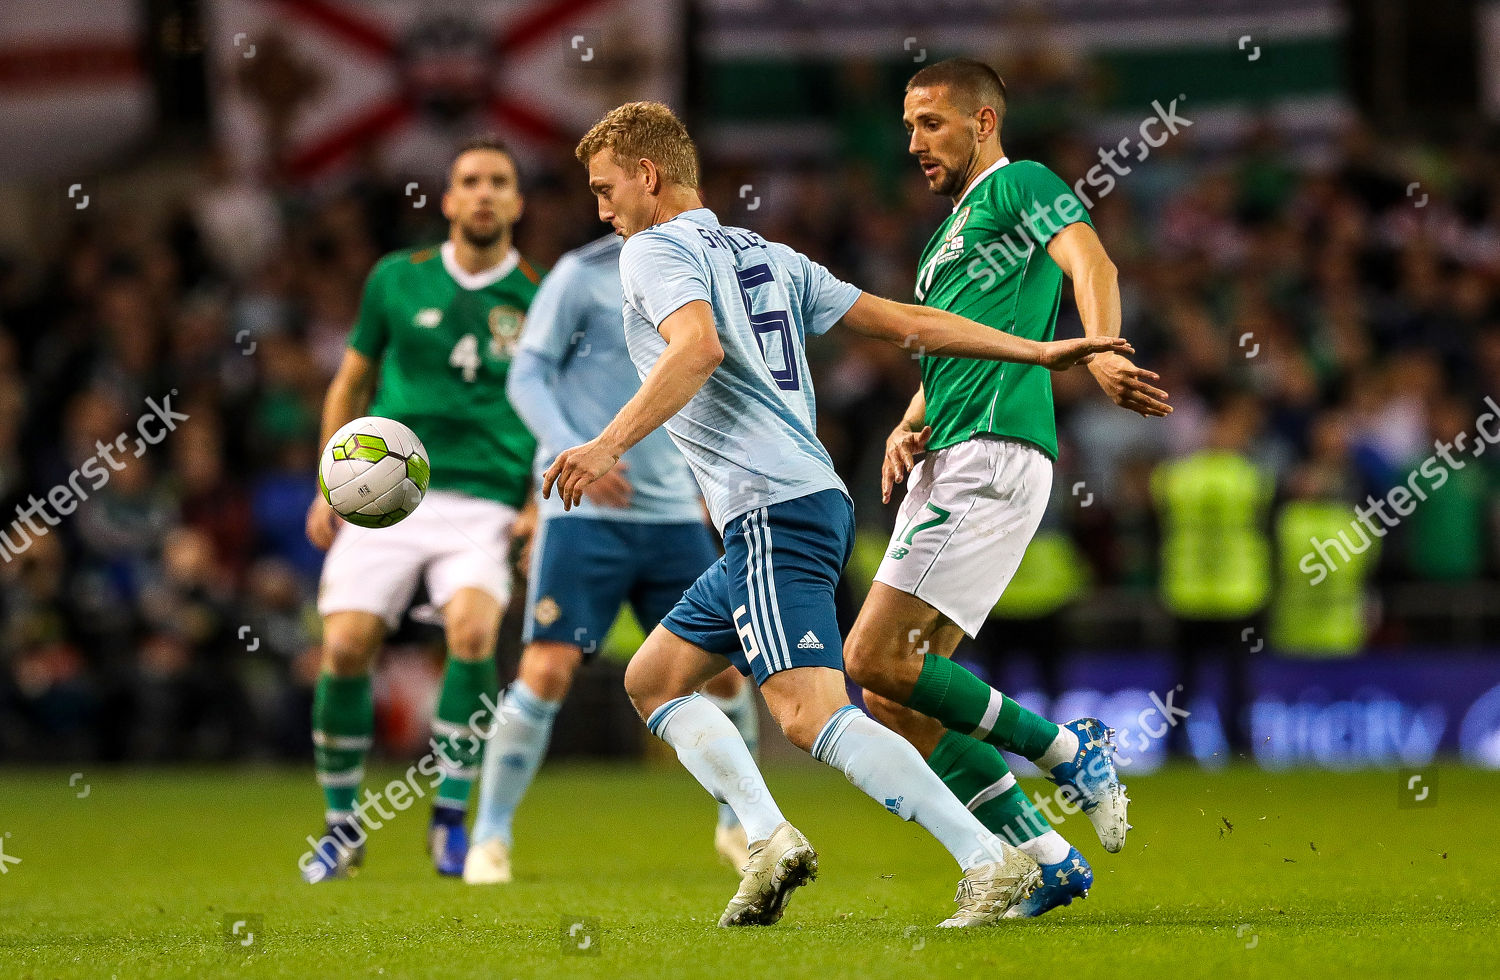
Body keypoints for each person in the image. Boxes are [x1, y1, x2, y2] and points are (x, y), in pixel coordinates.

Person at [546, 100, 1133, 926]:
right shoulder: (768, 253)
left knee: (811, 712)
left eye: (607, 189)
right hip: (800, 502)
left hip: (770, 506)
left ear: (648, 176)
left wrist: (607, 443)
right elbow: (909, 324)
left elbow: (698, 348)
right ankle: (766, 837)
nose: (601, 211)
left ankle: (986, 857)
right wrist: (1036, 350)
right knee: (654, 679)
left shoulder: (650, 251)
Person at [840, 58, 1172, 916]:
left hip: (992, 454)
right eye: (909, 125)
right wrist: (909, 416)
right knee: (893, 696)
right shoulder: (945, 236)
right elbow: (961, 345)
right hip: (949, 448)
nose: (913, 141)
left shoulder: (1018, 184)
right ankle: (1045, 855)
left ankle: (1067, 748)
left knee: (871, 657)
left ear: (983, 121)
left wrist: (1101, 347)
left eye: (931, 123)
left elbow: (1088, 259)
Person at [463, 232, 759, 884]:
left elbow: (722, 382)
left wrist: (719, 479)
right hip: (584, 512)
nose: (603, 203)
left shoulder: (708, 268)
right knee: (547, 668)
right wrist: (578, 452)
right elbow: (527, 375)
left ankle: (740, 827)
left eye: (610, 186)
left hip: (674, 513)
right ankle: (489, 838)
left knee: (726, 675)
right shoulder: (578, 273)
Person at [300, 136, 541, 881]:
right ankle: (342, 826)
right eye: (469, 180)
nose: (483, 193)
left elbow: (558, 409)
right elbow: (349, 383)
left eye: (498, 181)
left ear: (517, 202)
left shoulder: (539, 295)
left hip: (486, 496)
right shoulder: (395, 281)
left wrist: (537, 500)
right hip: (390, 493)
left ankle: (449, 820)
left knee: (472, 633)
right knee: (343, 648)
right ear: (447, 198)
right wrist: (327, 480)